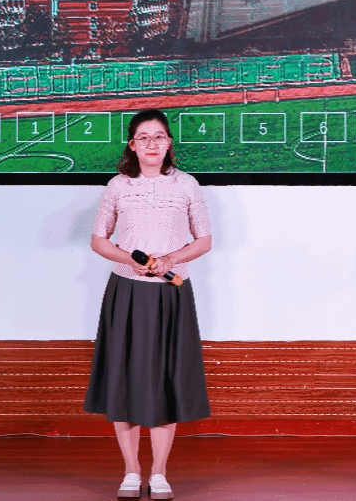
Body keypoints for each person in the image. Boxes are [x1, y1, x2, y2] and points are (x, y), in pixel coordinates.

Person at [85, 109, 212, 501]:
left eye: (159, 136)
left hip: (172, 292)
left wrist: (170, 259)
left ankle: (159, 473)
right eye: (144, 137)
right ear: (132, 145)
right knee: (124, 379)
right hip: (126, 291)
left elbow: (204, 240)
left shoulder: (187, 185)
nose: (152, 143)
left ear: (169, 142)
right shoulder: (118, 186)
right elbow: (99, 240)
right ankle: (130, 471)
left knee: (165, 381)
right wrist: (131, 260)